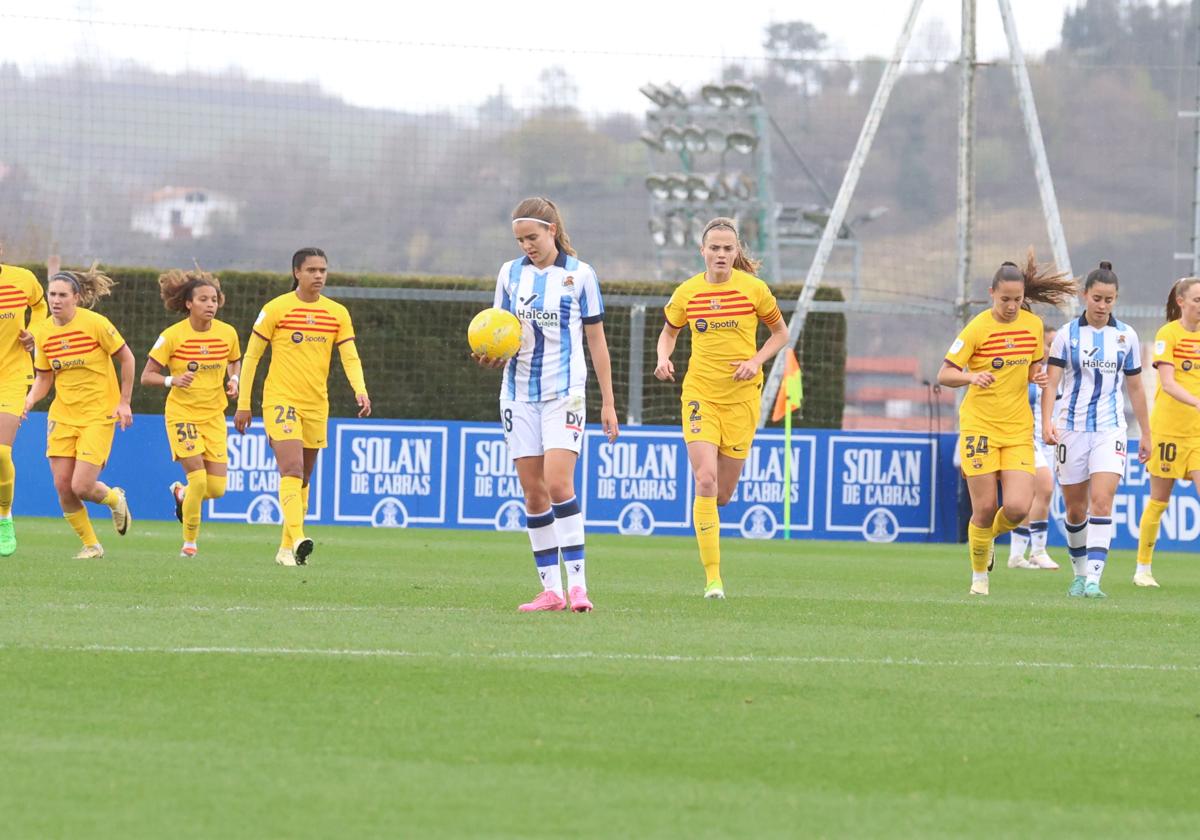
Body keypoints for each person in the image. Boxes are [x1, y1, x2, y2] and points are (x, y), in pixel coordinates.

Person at [474, 197, 619, 613]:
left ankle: (578, 587)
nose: (527, 246)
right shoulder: (509, 274)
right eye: (520, 240)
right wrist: (491, 355)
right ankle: (551, 591)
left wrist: (608, 402)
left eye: (532, 237)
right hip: (517, 393)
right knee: (533, 493)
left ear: (551, 230)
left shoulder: (581, 276)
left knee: (558, 485)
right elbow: (500, 330)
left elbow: (597, 341)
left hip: (564, 391)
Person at [654, 217, 789, 599]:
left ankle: (706, 522)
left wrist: (756, 361)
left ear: (736, 252)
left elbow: (781, 334)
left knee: (722, 495)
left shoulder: (754, 290)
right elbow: (668, 333)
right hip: (700, 395)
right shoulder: (687, 293)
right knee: (705, 480)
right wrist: (663, 358)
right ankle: (713, 579)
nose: (721, 254)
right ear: (703, 251)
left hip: (742, 400)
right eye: (714, 247)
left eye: (728, 248)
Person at [937, 253, 1076, 596]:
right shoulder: (977, 328)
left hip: (1017, 429)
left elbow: (1030, 369)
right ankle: (979, 579)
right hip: (980, 427)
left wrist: (1036, 377)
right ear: (992, 294)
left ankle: (985, 539)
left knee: (1017, 508)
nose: (1012, 306)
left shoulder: (1032, 326)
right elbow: (944, 374)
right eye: (1005, 300)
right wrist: (971, 376)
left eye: (1017, 299)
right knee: (984, 508)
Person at [234, 248, 370, 567]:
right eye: (311, 270)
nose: (318, 275)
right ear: (297, 272)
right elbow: (251, 357)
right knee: (292, 469)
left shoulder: (337, 313)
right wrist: (243, 403)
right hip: (280, 399)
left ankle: (286, 549)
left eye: (323, 270)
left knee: (304, 478)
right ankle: (298, 537)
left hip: (316, 404)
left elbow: (350, 356)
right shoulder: (275, 309)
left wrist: (360, 390)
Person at [1043, 262, 1150, 598]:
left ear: (1115, 299)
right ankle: (1078, 574)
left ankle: (1093, 580)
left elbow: (1135, 387)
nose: (1103, 306)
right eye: (1097, 298)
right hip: (1071, 429)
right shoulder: (1066, 335)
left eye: (1109, 300)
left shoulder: (1126, 336)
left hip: (1110, 429)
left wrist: (1147, 433)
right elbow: (1052, 383)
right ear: (1084, 295)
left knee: (1102, 502)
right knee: (1075, 509)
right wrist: (1046, 421)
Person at [24, 266, 133, 557]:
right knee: (63, 486)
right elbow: (44, 378)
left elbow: (127, 358)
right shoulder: (43, 332)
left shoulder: (96, 324)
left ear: (77, 297)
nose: (56, 300)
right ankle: (91, 545)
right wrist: (29, 400)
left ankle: (114, 499)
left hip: (98, 413)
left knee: (82, 486)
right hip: (63, 416)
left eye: (62, 295)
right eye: (52, 294)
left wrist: (124, 402)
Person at [140, 268, 242, 557]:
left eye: (214, 300)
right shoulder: (172, 336)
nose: (210, 305)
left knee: (216, 488)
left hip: (214, 416)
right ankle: (190, 543)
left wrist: (234, 380)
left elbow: (235, 361)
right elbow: (147, 376)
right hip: (182, 414)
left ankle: (182, 494)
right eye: (203, 299)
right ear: (189, 303)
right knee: (198, 480)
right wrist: (172, 380)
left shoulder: (227, 333)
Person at [1131, 276, 1200, 588]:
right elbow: (1169, 384)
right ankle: (1143, 569)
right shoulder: (1167, 334)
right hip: (1169, 431)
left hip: (1197, 434)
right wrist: (1196, 402)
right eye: (1197, 300)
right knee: (1159, 501)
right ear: (1181, 302)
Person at [0, 245, 48, 555]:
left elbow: (41, 308)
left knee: (1, 453)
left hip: (12, 377)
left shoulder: (22, 279)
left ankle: (4, 518)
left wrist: (34, 332)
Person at [1008, 326, 1060, 571]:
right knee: (1045, 487)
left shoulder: (1060, 371)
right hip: (1027, 438)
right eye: (1048, 344)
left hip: (1051, 440)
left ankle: (1017, 555)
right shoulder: (1027, 372)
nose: (1052, 349)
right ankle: (1038, 550)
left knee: (1035, 497)